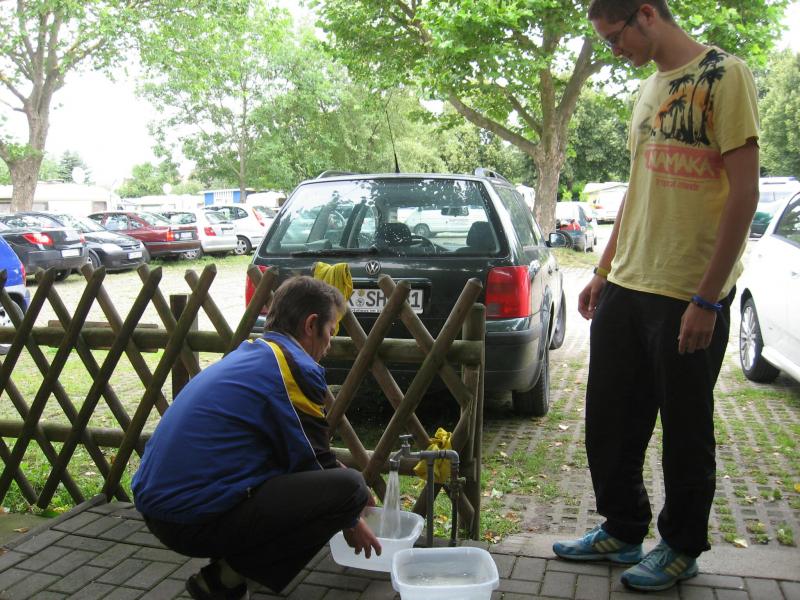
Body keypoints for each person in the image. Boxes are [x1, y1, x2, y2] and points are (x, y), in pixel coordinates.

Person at [552, 0, 759, 593]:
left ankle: (682, 546)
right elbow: (638, 187)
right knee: (610, 419)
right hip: (627, 282)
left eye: (614, 38)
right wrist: (602, 268)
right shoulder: (648, 89)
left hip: (687, 291)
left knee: (685, 428)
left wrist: (708, 299)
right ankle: (622, 529)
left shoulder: (725, 74)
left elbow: (744, 193)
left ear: (646, 14)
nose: (615, 51)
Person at [132, 276, 380, 600]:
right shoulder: (292, 368)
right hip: (188, 520)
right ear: (311, 325)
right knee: (352, 487)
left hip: (159, 509)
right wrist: (352, 512)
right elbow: (316, 465)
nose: (330, 345)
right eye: (331, 332)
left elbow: (304, 454)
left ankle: (232, 569)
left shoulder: (253, 354)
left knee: (324, 483)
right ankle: (224, 580)